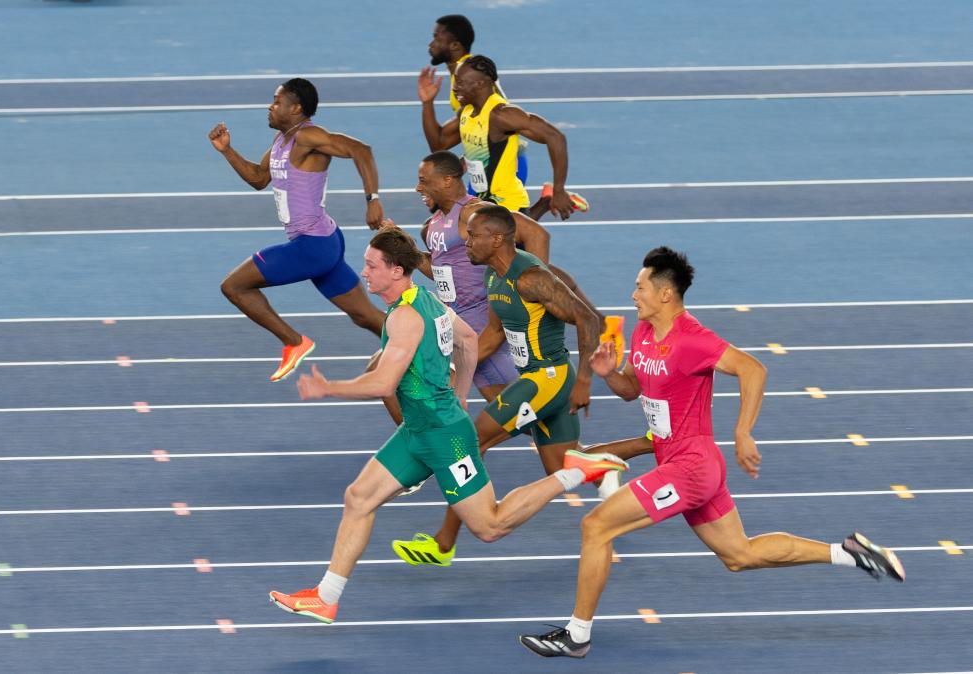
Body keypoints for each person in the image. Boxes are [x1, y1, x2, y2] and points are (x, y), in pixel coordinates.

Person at [518, 246, 907, 659]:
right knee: (740, 555)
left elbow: (753, 369)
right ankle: (849, 554)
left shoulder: (692, 338)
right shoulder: (644, 332)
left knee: (596, 527)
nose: (633, 295)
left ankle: (577, 635)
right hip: (682, 464)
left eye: (640, 287)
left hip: (691, 468)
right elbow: (632, 390)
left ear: (665, 293)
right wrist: (608, 373)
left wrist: (743, 432)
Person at [267, 227, 627, 623]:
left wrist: (328, 388)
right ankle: (326, 597)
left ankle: (574, 472)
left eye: (371, 265)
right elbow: (468, 339)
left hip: (445, 438)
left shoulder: (406, 317)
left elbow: (383, 384)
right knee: (359, 497)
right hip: (417, 431)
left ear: (396, 270)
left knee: (490, 526)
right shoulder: (427, 299)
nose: (364, 272)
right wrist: (460, 393)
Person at [391, 204, 649, 566]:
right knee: (564, 467)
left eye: (473, 236)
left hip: (548, 378)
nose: (466, 243)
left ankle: (443, 543)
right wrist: (453, 372)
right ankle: (650, 443)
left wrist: (583, 382)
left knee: (470, 440)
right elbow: (494, 334)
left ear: (497, 239)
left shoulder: (530, 278)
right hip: (537, 378)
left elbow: (588, 319)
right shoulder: (493, 277)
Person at [209, 78, 386, 382]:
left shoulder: (308, 136)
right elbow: (258, 178)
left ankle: (293, 341)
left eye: (277, 102)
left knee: (234, 286)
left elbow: (361, 150)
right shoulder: (282, 140)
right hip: (324, 242)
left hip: (312, 246)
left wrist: (373, 199)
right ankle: (421, 347)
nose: (270, 106)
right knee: (364, 316)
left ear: (296, 108)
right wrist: (227, 151)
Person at [419, 54, 585, 221]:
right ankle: (545, 202)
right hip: (481, 199)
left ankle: (547, 201)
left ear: (480, 84)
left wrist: (559, 190)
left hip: (505, 202)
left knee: (475, 233)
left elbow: (555, 137)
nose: (455, 88)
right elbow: (438, 144)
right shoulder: (467, 112)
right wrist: (427, 103)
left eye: (461, 83)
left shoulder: (501, 115)